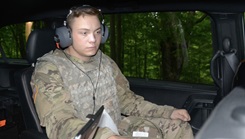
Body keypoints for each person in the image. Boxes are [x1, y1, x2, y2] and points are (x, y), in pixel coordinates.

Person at [30, 5, 194, 139]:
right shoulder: (49, 69)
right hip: (86, 135)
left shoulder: (105, 61)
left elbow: (127, 100)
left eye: (97, 32)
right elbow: (60, 123)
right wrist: (106, 136)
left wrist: (168, 112)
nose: (93, 40)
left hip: (117, 126)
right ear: (67, 35)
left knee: (178, 127)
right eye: (84, 33)